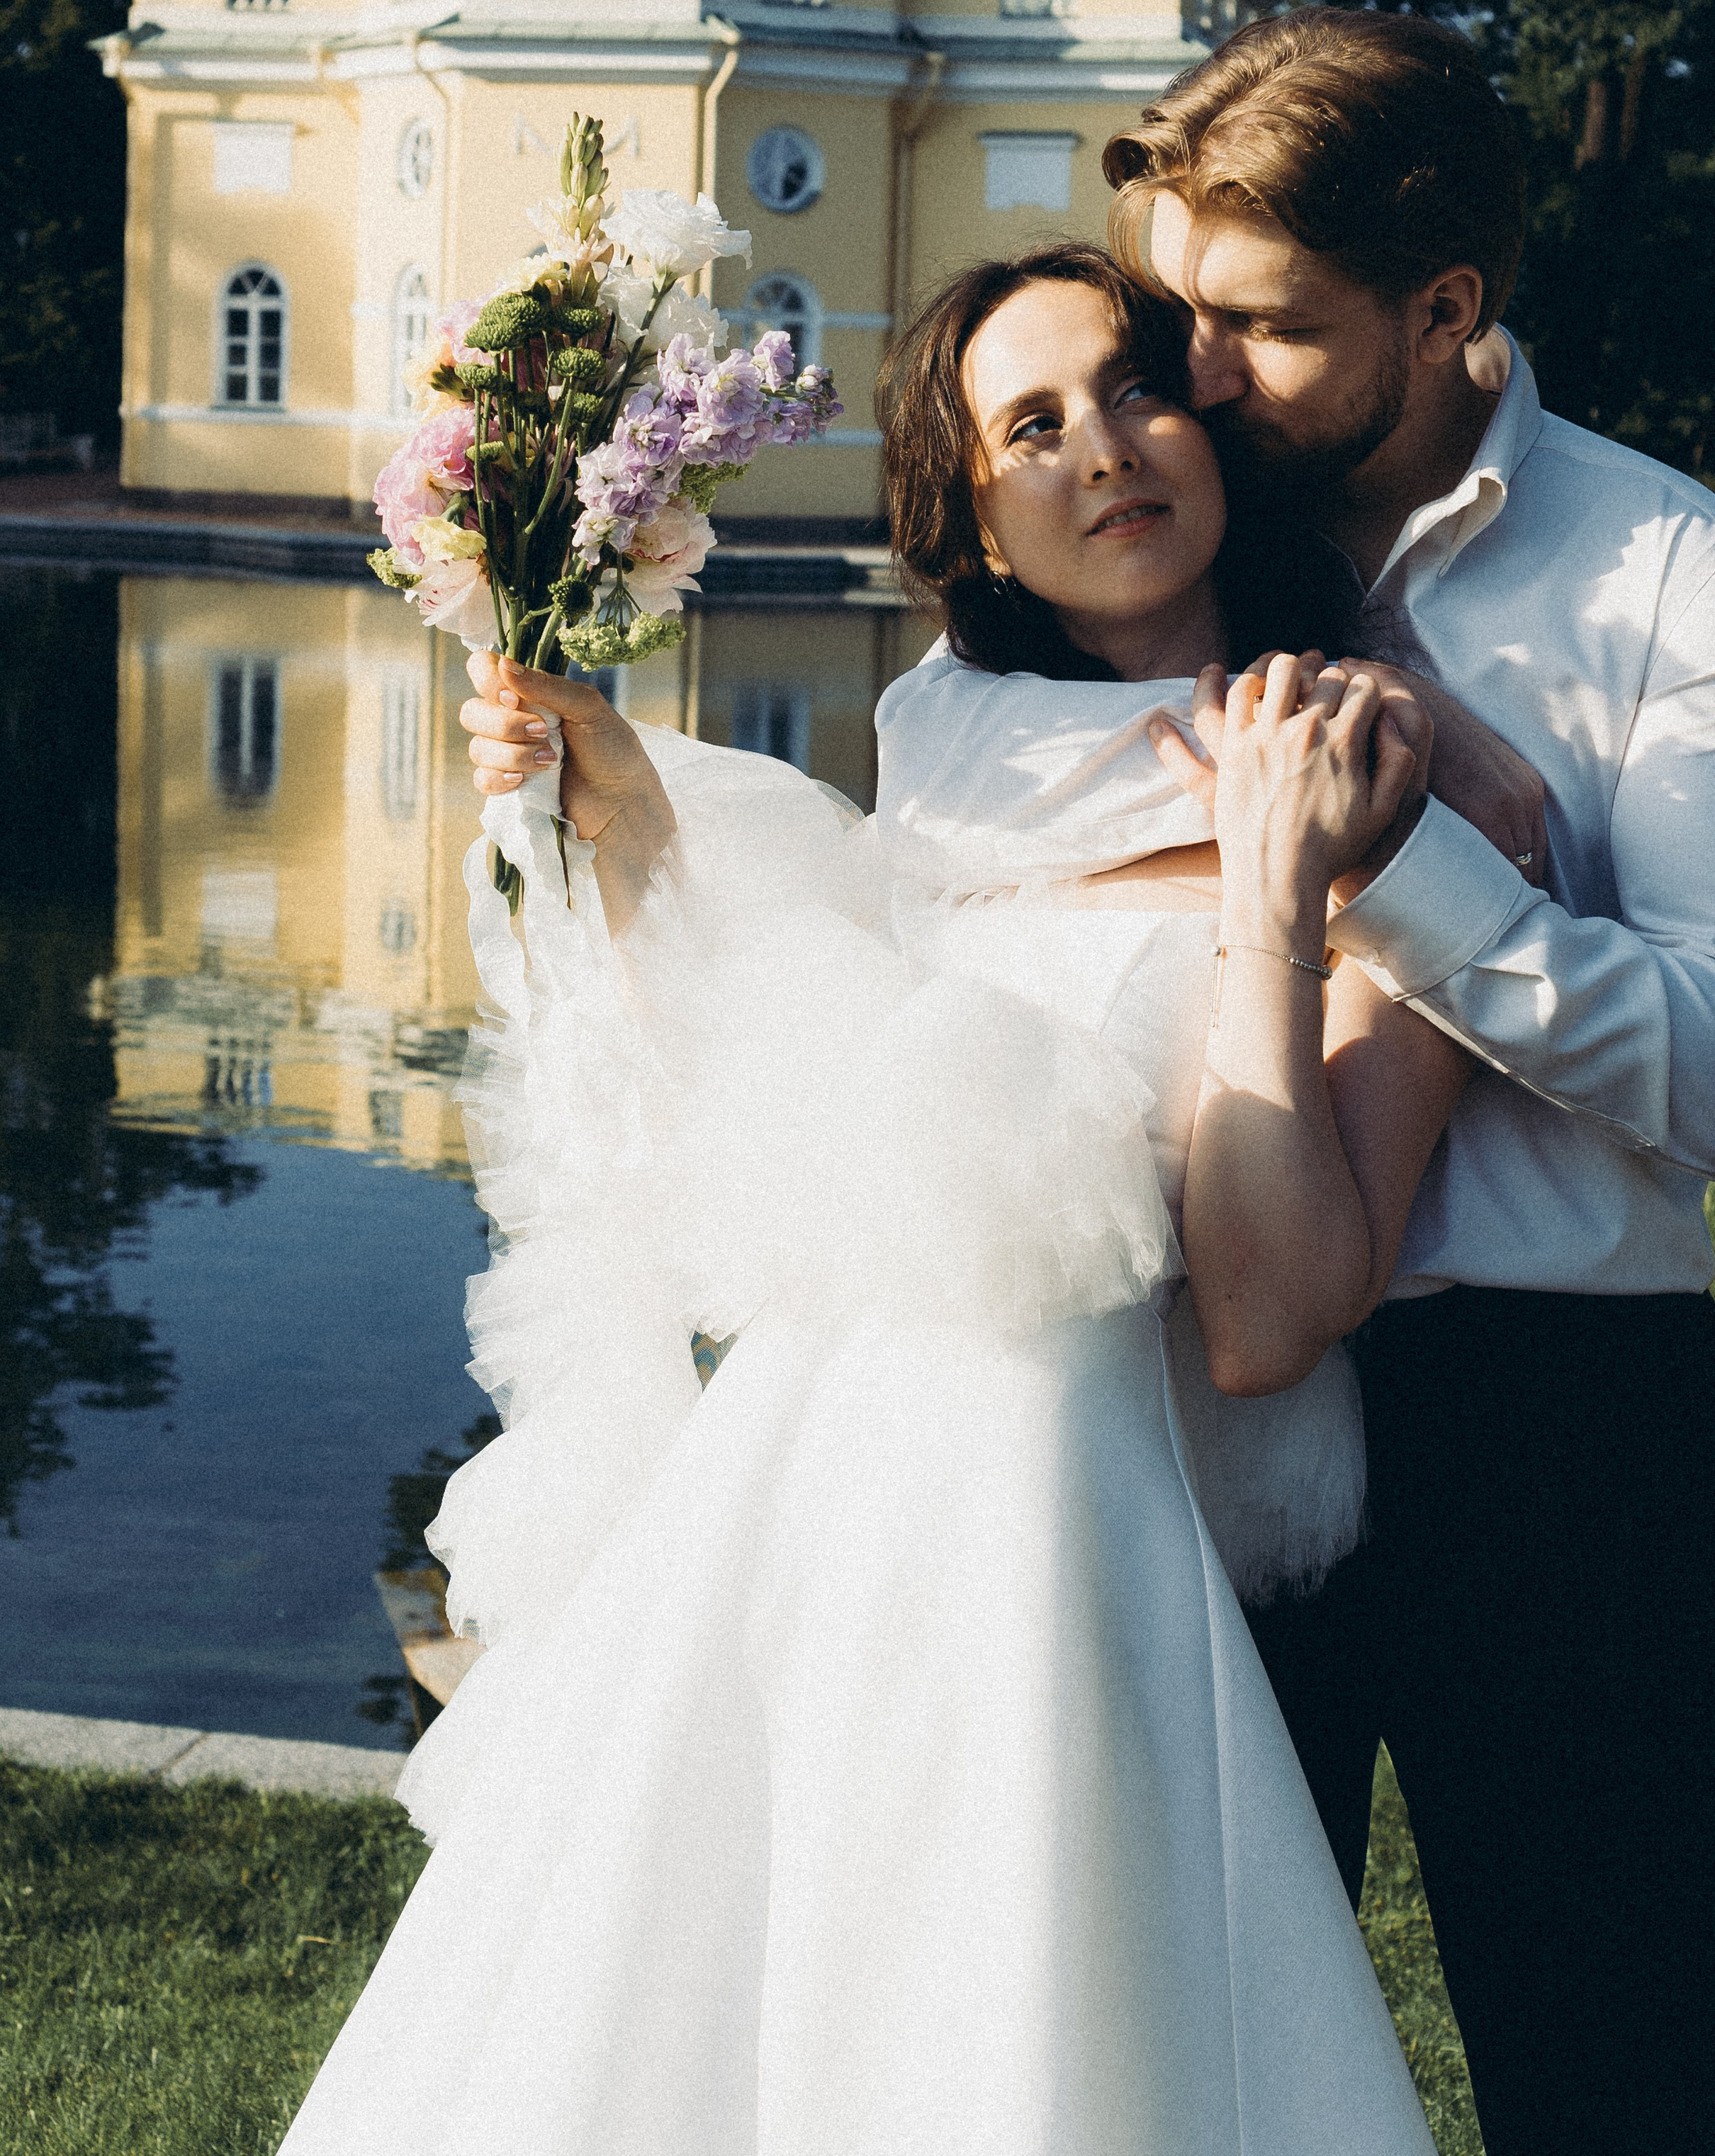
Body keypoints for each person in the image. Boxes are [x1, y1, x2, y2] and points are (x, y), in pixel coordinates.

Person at [279, 244, 1475, 2155]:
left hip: (1064, 1551)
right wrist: (613, 805)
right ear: (979, 514)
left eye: (1137, 387)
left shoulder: (1373, 757)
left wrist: (1270, 892)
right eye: (1034, 424)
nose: (1106, 448)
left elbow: (1270, 1321)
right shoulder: (950, 757)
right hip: (805, 1506)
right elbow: (778, 1124)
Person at [858, 10, 1715, 2156]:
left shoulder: (1670, 577)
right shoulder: (1163, 595)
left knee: (1611, 2058)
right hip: (1206, 1434)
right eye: (1176, 324)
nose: (1197, 381)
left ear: (1443, 316)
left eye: (1248, 328)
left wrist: (1406, 883)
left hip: (1569, 1436)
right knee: (1192, 2054)